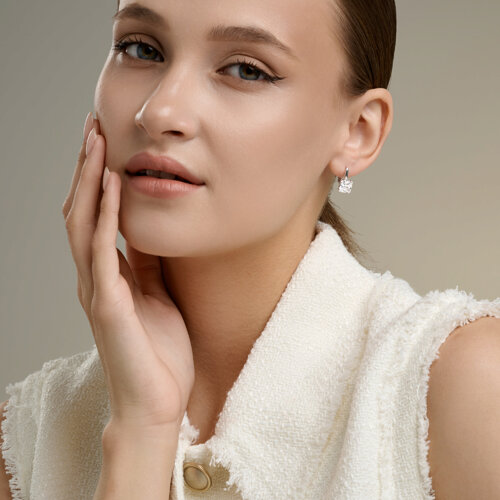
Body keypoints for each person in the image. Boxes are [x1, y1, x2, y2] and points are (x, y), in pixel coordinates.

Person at [1, 0, 500, 498]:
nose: (159, 112)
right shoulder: (25, 442)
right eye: (141, 49)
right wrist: (140, 433)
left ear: (358, 131)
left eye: (245, 70)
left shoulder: (462, 386)